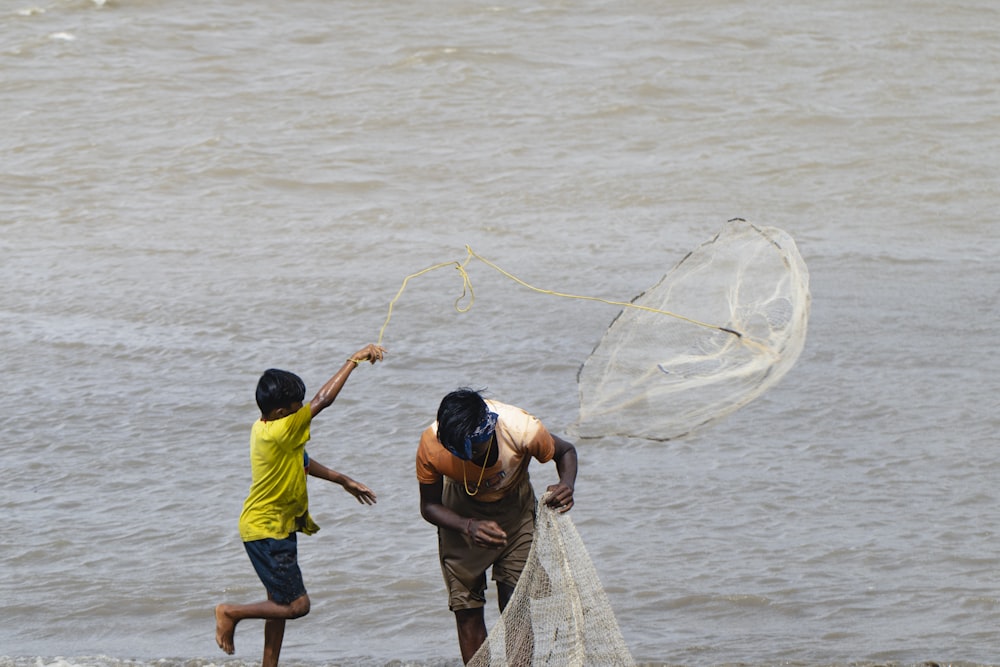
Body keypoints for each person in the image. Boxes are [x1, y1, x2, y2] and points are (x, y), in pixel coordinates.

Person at [214, 343, 385, 666]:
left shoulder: (264, 427)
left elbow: (301, 461)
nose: (302, 410)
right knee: (297, 606)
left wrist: (343, 480)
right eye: (297, 407)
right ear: (281, 413)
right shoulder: (283, 429)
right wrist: (354, 360)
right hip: (268, 531)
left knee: (277, 603)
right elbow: (324, 400)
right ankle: (230, 612)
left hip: (269, 526)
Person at [416, 387, 578, 664]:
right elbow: (429, 506)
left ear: (488, 431)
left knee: (515, 603)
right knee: (466, 608)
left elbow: (565, 451)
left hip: (516, 512)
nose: (468, 457)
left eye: (474, 450)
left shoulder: (521, 429)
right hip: (460, 514)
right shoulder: (433, 444)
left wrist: (566, 484)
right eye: (459, 452)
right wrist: (467, 526)